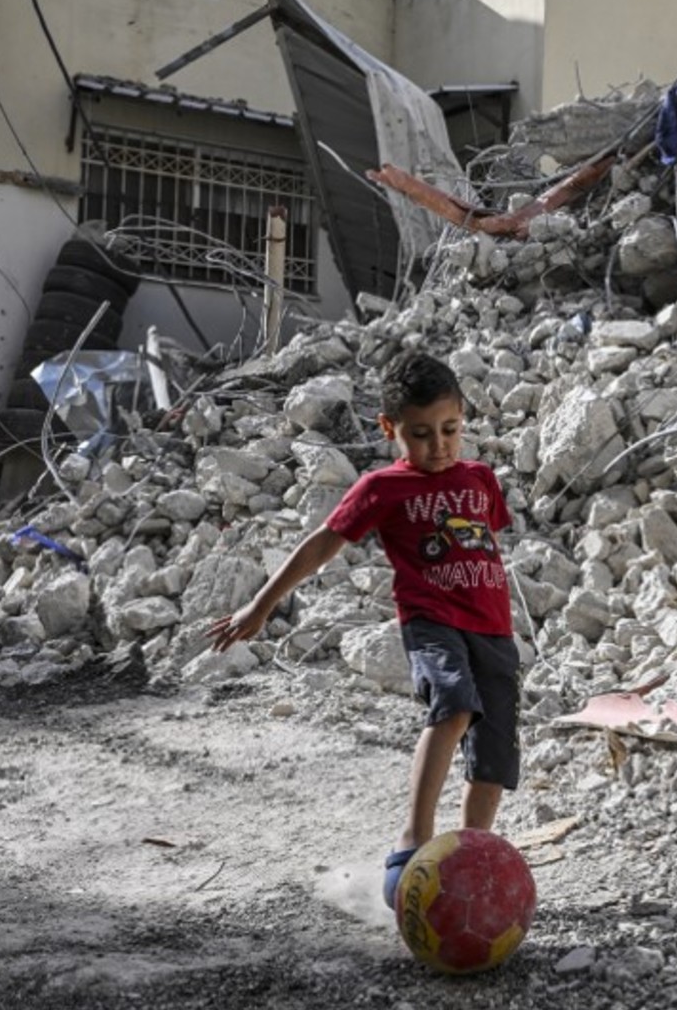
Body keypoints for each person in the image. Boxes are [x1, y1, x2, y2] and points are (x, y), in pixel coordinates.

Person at [207, 350, 521, 908]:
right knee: (452, 703)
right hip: (432, 623)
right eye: (421, 434)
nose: (439, 445)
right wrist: (260, 604)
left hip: (493, 631)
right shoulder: (382, 488)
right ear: (389, 428)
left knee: (494, 747)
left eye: (450, 430)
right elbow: (323, 543)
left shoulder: (480, 478)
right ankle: (414, 840)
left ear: (464, 419)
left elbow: (486, 541)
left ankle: (477, 852)